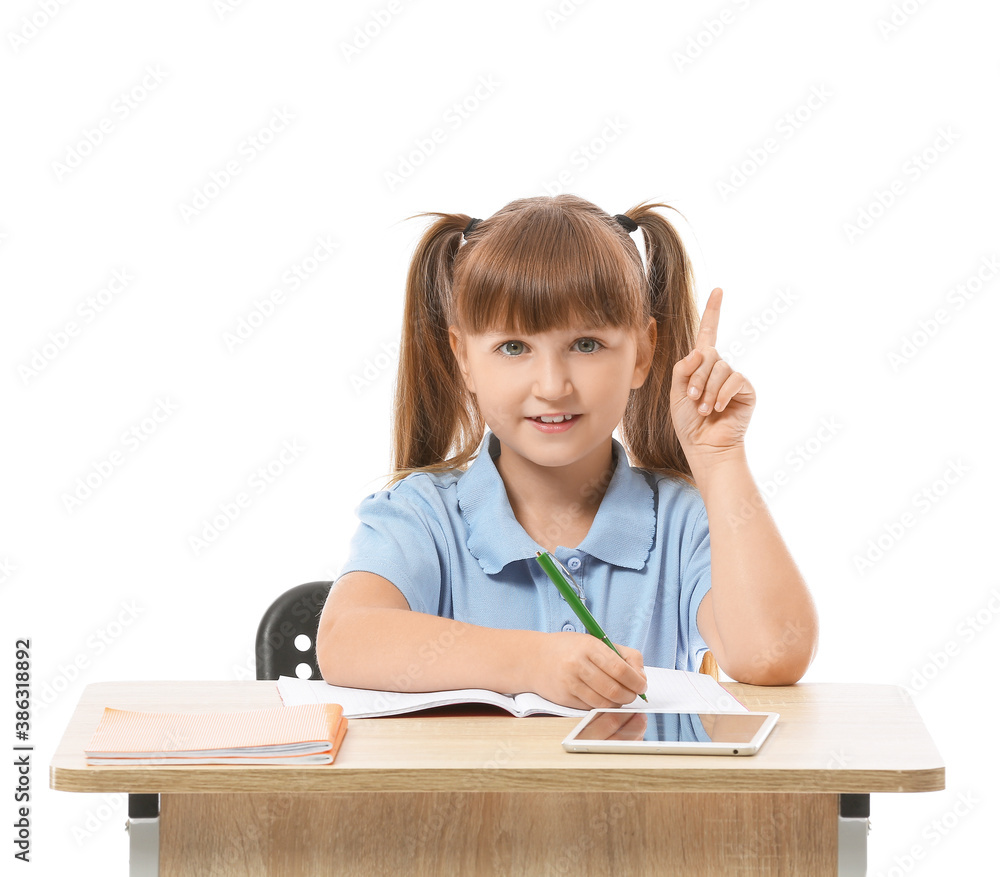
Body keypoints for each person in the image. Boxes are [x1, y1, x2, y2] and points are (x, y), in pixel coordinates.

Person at [317, 194, 818, 710]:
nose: (553, 386)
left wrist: (719, 458)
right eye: (514, 348)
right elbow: (345, 641)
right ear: (463, 357)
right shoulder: (421, 514)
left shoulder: (683, 521)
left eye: (586, 344)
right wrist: (531, 662)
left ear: (643, 353)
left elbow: (770, 656)